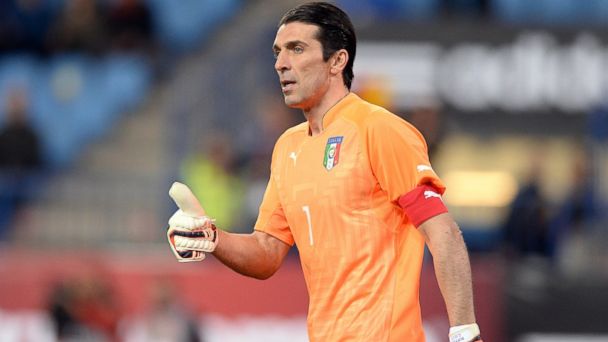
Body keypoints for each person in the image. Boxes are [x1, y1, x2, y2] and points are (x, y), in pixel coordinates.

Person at [167, 2, 481, 341]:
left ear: (337, 61)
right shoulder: (288, 147)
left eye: (296, 49)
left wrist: (465, 332)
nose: (281, 63)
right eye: (277, 52)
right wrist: (213, 239)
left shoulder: (379, 129)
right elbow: (267, 252)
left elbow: (444, 234)